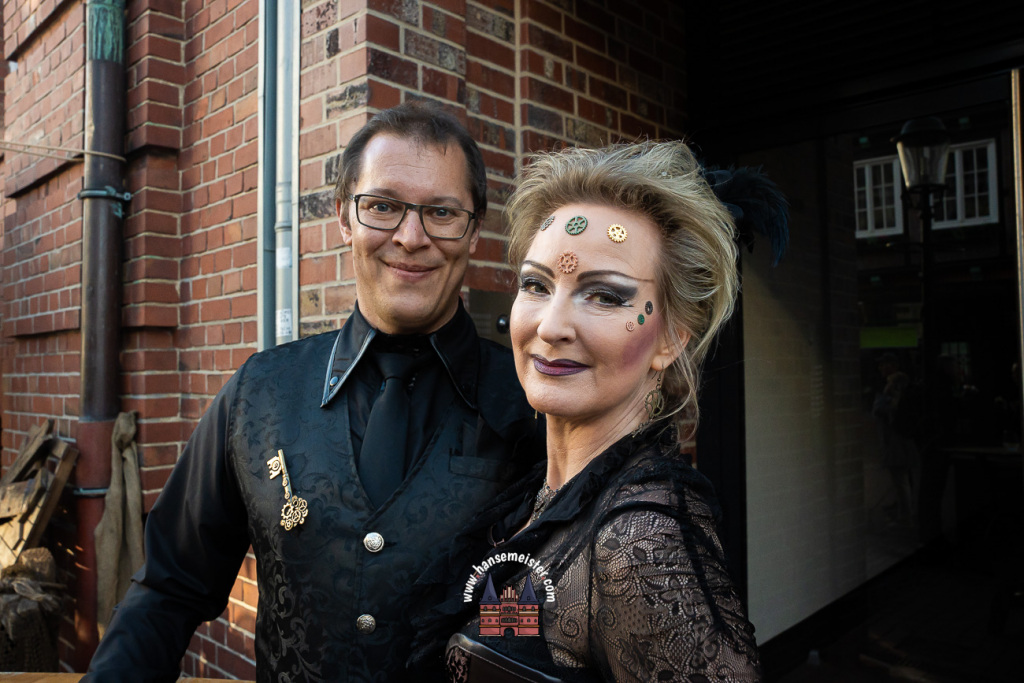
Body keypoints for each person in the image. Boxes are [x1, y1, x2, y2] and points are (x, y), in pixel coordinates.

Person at [85, 102, 540, 682]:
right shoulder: (259, 391)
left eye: (442, 212)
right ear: (344, 218)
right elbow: (169, 587)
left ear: (473, 231)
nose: (411, 237)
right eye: (382, 206)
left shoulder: (531, 404)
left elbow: (538, 615)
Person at [411, 141, 781, 682]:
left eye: (605, 296)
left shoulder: (638, 542)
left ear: (671, 339)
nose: (550, 326)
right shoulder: (538, 495)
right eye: (536, 285)